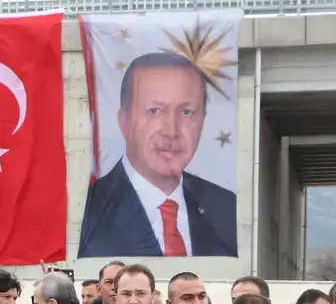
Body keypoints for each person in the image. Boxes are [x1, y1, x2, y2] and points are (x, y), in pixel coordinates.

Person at [79, 52, 237, 258]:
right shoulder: (91, 207)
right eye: (155, 110)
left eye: (187, 112)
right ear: (124, 121)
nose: (171, 131)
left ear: (203, 121)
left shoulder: (225, 207)